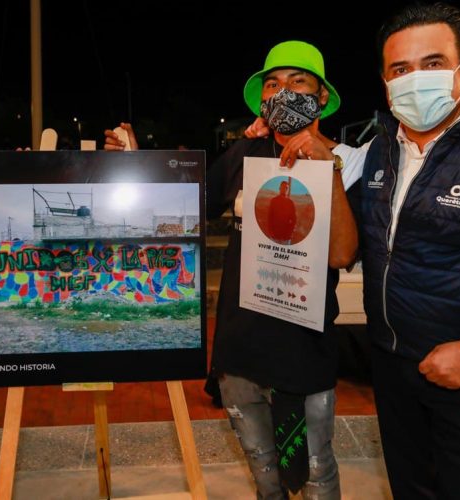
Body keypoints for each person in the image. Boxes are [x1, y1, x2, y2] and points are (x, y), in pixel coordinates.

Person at [246, 3, 460, 498]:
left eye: (432, 63)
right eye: (400, 69)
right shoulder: (379, 150)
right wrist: (271, 130)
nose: (415, 79)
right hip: (396, 368)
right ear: (385, 81)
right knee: (411, 488)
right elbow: (321, 157)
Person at [107, 40, 358, 500]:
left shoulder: (346, 160)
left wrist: (332, 171)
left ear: (322, 96)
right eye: (273, 84)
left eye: (298, 81)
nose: (284, 92)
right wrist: (137, 162)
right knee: (264, 473)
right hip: (240, 350)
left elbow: (342, 254)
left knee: (315, 474)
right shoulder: (247, 153)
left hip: (303, 352)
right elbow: (187, 205)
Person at [267, 180, 297, 244]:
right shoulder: (274, 201)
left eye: (286, 188)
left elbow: (294, 220)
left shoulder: (290, 203)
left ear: (288, 190)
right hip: (274, 237)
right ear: (279, 188)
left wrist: (290, 234)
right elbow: (269, 218)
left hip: (286, 238)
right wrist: (271, 233)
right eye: (283, 187)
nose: (285, 189)